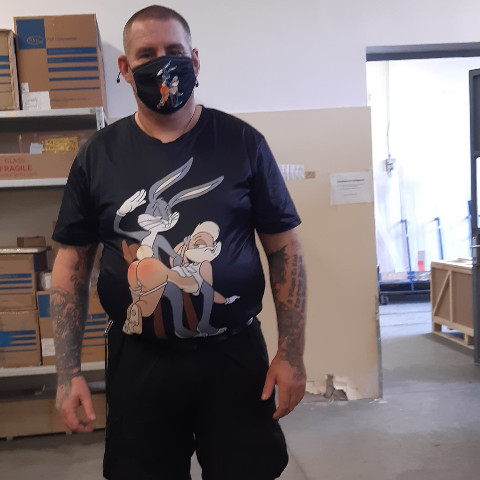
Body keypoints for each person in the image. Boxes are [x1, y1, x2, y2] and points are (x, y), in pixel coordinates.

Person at [51, 5, 307, 480]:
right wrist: (68, 373)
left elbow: (284, 250)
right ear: (126, 68)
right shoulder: (98, 156)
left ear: (195, 59)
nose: (163, 63)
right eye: (146, 54)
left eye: (173, 50)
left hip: (234, 359)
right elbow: (71, 267)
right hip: (140, 364)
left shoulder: (243, 143)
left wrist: (291, 353)